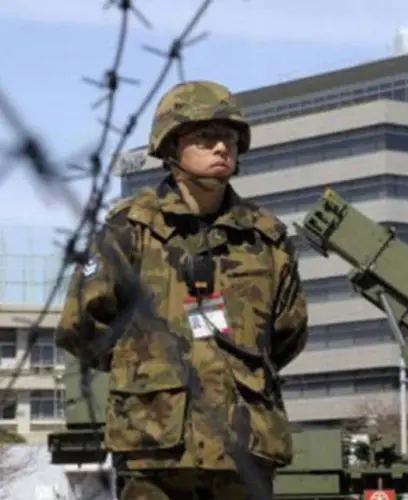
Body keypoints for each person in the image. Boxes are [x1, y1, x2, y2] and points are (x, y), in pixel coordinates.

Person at [54, 80, 309, 500]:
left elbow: (288, 333)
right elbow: (79, 325)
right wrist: (142, 373)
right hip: (155, 450)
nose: (222, 148)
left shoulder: (265, 239)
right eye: (206, 137)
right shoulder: (129, 230)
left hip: (243, 452)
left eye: (229, 138)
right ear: (171, 147)